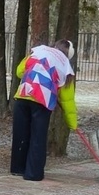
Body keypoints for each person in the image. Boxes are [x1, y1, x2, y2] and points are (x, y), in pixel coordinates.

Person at [10, 38, 77, 181]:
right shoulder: (65, 66)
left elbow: (19, 71)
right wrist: (72, 123)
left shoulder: (38, 52)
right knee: (38, 137)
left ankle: (17, 168)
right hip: (42, 100)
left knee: (21, 133)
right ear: (69, 54)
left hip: (23, 95)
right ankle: (33, 173)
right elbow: (67, 100)